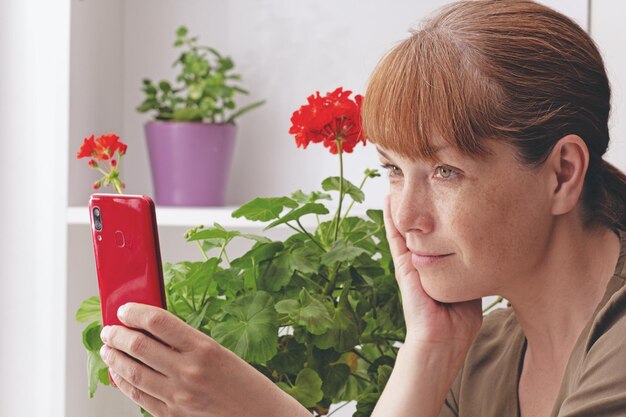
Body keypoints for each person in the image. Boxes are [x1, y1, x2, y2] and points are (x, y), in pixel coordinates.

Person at [97, 1, 626, 416]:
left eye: (445, 172)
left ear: (562, 173)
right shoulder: (483, 355)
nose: (404, 216)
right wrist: (430, 349)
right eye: (393, 170)